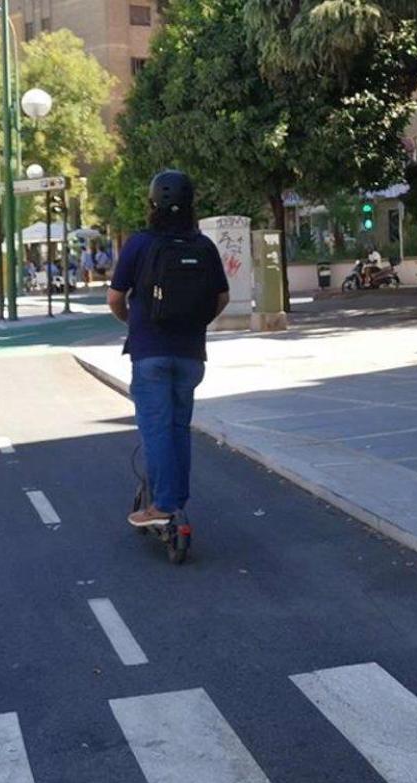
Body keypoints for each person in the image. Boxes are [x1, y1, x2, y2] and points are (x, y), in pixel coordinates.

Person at [109, 170, 231, 527]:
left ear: (152, 204)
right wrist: (195, 323)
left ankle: (162, 506)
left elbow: (115, 297)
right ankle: (176, 500)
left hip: (151, 352)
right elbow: (222, 297)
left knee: (156, 429)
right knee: (179, 428)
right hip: (191, 354)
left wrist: (131, 320)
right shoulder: (203, 245)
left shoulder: (140, 243)